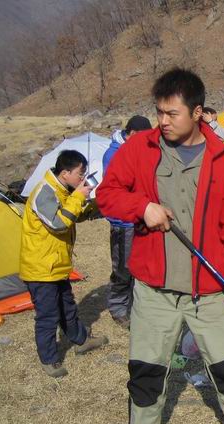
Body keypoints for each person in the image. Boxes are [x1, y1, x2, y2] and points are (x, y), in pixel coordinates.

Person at [96, 68, 224, 424]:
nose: (162, 121)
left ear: (197, 112)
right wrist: (142, 207)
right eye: (159, 112)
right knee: (145, 374)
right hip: (153, 292)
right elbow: (107, 194)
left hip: (209, 293)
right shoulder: (140, 148)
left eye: (171, 113)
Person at [19, 150, 108, 378]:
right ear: (66, 172)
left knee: (67, 307)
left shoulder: (62, 190)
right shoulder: (44, 192)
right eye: (80, 173)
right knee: (48, 315)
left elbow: (73, 215)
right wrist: (78, 197)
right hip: (41, 269)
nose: (83, 178)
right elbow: (58, 223)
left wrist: (94, 203)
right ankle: (49, 359)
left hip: (56, 265)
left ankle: (81, 341)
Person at [102, 115, 152, 328]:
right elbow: (113, 191)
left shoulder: (138, 148)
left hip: (139, 219)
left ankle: (137, 306)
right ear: (131, 133)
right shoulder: (113, 154)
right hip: (123, 222)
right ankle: (118, 308)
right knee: (123, 267)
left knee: (140, 265)